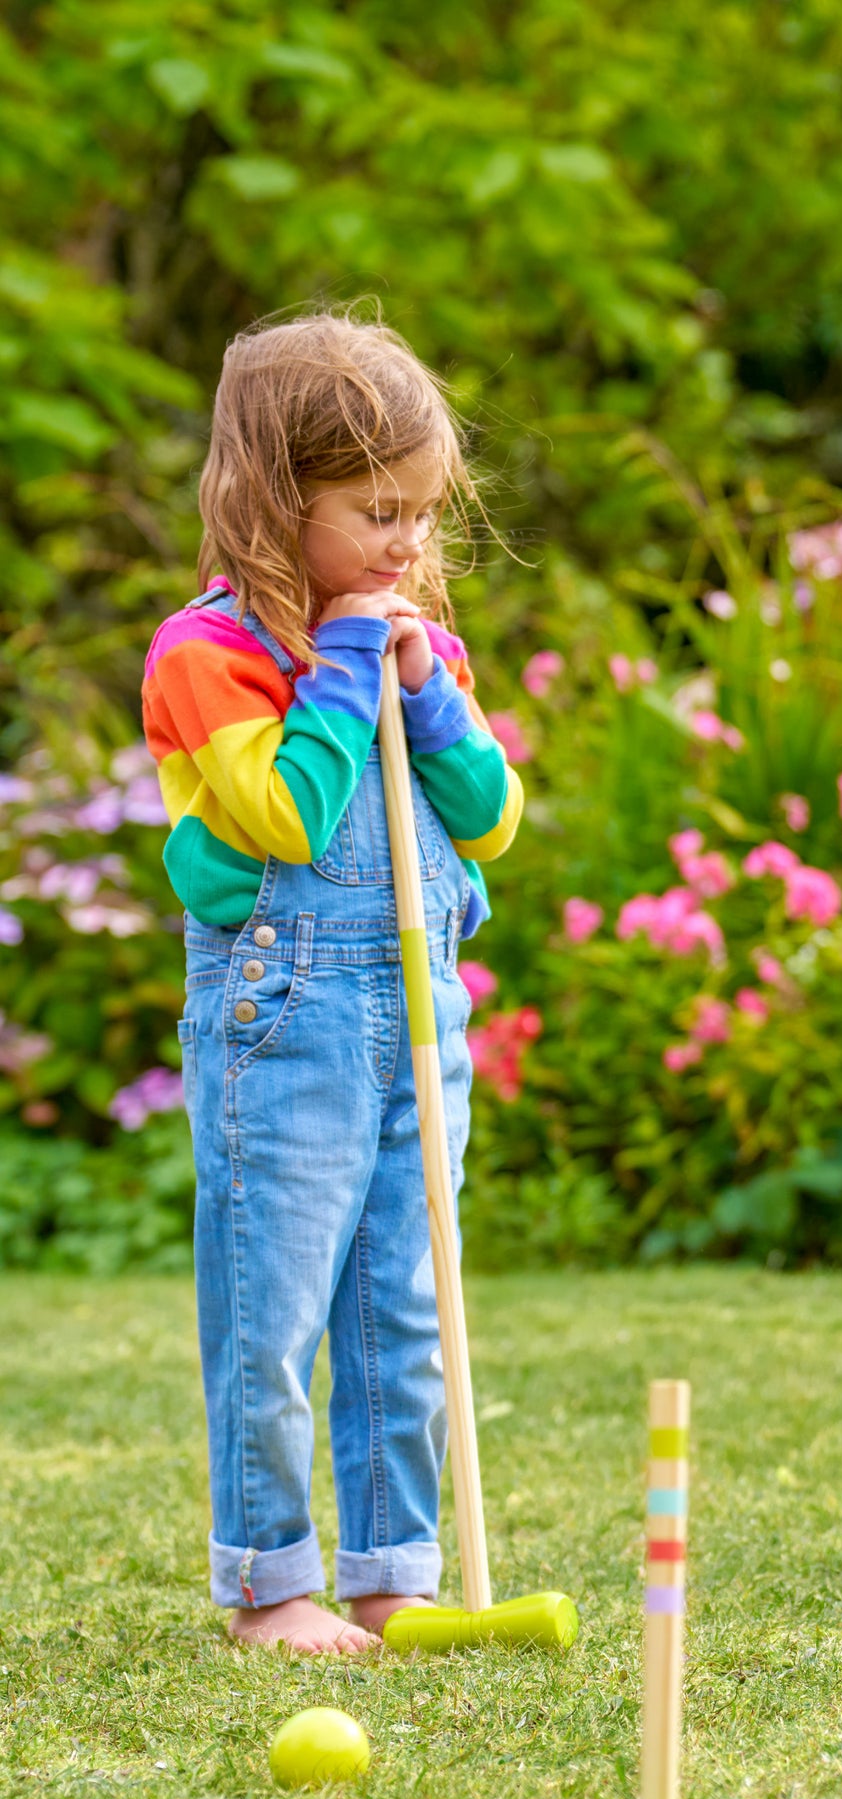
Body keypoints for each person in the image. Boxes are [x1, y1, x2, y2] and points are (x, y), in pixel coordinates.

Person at [142, 312, 523, 1652]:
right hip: (286, 1024)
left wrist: (430, 699)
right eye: (375, 513)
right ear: (271, 501)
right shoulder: (211, 655)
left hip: (421, 1017)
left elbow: (490, 817)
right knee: (275, 1306)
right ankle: (268, 1583)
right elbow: (287, 818)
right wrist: (354, 669)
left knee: (403, 1310)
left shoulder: (415, 642)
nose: (408, 545)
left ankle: (392, 1575)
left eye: (420, 515)